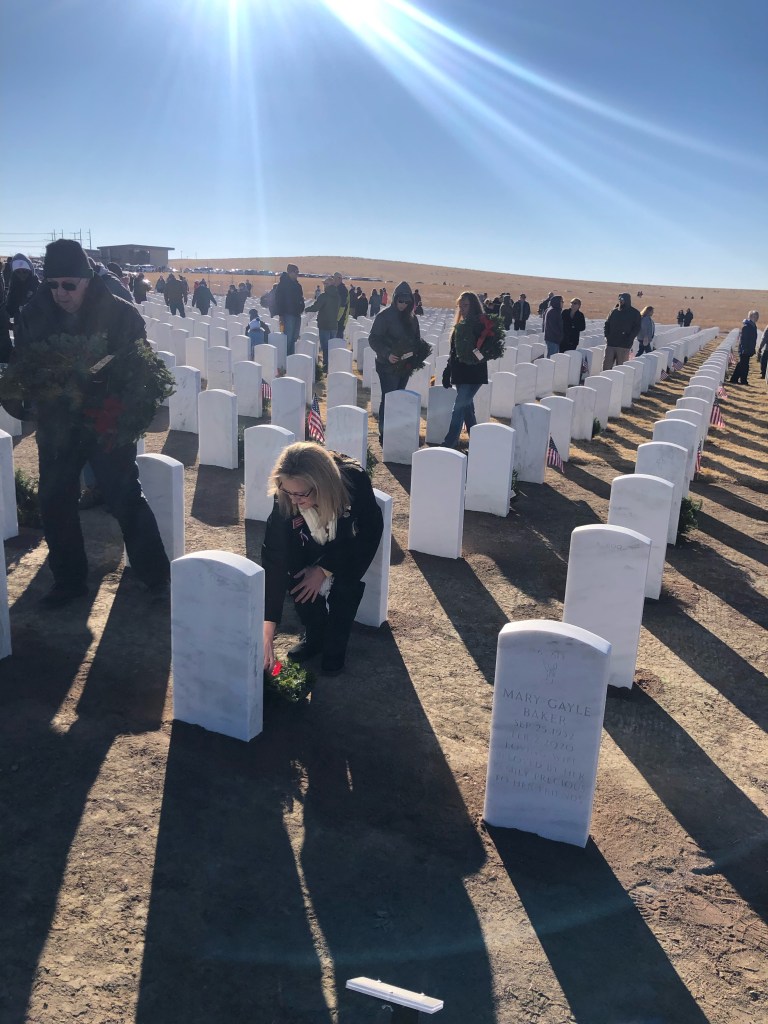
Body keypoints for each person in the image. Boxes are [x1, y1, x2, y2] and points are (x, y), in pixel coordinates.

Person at [2, 239, 172, 607]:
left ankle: (155, 575)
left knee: (123, 495)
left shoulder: (120, 314)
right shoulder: (34, 314)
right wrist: (27, 400)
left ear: (87, 279)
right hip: (58, 424)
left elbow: (140, 368)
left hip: (105, 418)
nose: (60, 293)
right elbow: (23, 366)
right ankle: (68, 580)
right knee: (54, 499)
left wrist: (119, 409)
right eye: (52, 284)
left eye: (69, 284)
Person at [261, 442, 383, 676]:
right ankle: (315, 636)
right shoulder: (286, 495)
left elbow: (370, 531)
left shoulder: (354, 481)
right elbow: (274, 555)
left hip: (349, 544)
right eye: (287, 491)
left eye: (300, 494)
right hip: (309, 540)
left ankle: (335, 646)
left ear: (320, 484)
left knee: (344, 589)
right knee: (298, 581)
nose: (293, 500)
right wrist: (268, 627)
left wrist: (324, 569)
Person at [369, 281, 421, 444]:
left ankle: (393, 432)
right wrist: (387, 354)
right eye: (400, 301)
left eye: (407, 302)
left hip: (405, 366)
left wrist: (417, 354)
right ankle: (384, 434)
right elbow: (373, 339)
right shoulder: (384, 317)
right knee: (388, 398)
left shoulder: (412, 318)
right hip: (387, 365)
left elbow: (416, 339)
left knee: (398, 398)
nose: (403, 304)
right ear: (395, 299)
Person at [441, 291, 492, 449]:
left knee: (459, 407)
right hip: (460, 374)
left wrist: (477, 354)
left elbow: (485, 351)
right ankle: (477, 443)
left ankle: (449, 443)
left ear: (474, 306)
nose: (462, 309)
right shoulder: (459, 326)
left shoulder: (481, 326)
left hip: (474, 375)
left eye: (465, 305)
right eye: (460, 306)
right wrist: (447, 371)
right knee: (467, 409)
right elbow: (453, 352)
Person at [304, 277, 340, 370]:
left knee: (325, 347)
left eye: (326, 284)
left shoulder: (324, 296)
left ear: (330, 285)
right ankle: (332, 366)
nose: (324, 285)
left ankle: (326, 366)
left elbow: (316, 307)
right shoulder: (337, 296)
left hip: (324, 324)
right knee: (331, 347)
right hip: (334, 325)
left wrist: (306, 309)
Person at [603, 292, 641, 369]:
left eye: (622, 299)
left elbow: (636, 328)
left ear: (627, 300)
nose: (620, 301)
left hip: (624, 345)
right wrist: (607, 336)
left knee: (620, 367)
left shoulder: (635, 313)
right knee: (606, 366)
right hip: (611, 344)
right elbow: (607, 324)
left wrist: (629, 339)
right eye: (619, 299)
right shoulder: (614, 312)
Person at [275, 263, 305, 356]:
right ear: (290, 272)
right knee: (288, 337)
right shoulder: (282, 285)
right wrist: (281, 315)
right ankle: (286, 357)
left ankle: (292, 357)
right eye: (296, 272)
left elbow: (301, 298)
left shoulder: (298, 285)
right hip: (288, 314)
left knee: (295, 337)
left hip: (297, 314)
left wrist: (302, 307)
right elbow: (278, 300)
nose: (297, 274)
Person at [730, 311, 759, 385]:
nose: (756, 318)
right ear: (751, 317)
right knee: (744, 366)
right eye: (755, 316)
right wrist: (745, 350)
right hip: (744, 349)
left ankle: (734, 379)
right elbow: (744, 340)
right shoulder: (746, 327)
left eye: (757, 317)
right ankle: (743, 381)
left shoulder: (753, 326)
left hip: (748, 349)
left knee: (741, 364)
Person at [333, 271, 350, 338]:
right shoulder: (336, 288)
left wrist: (336, 319)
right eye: (334, 278)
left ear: (340, 279)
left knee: (338, 338)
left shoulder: (343, 290)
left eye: (336, 279)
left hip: (340, 319)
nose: (334, 280)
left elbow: (342, 306)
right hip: (335, 319)